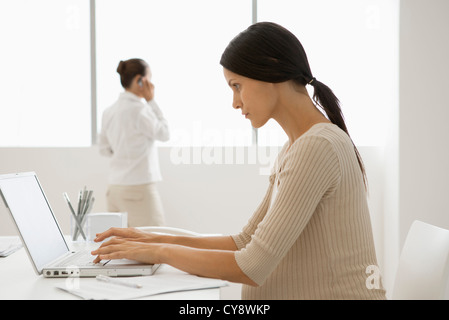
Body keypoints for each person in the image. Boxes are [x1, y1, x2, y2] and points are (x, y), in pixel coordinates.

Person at [92, 23, 386, 300]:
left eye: (237, 85)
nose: (234, 102)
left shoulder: (316, 147)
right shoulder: (296, 147)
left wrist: (160, 252)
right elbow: (245, 240)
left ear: (270, 70)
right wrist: (149, 240)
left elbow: (251, 265)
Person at [98, 58, 169, 227]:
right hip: (138, 190)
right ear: (140, 81)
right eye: (149, 79)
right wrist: (151, 100)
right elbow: (164, 133)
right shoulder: (140, 110)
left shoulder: (109, 112)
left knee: (125, 246)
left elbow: (104, 149)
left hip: (114, 189)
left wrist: (124, 152)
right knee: (158, 241)